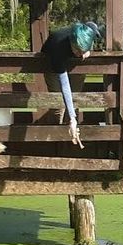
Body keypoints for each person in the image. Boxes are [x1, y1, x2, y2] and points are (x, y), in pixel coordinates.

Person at [42, 21, 101, 149]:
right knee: (58, 105)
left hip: (74, 66)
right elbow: (65, 86)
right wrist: (73, 119)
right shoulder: (57, 45)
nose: (79, 54)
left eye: (81, 52)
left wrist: (88, 51)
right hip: (53, 64)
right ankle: (53, 143)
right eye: (76, 50)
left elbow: (93, 26)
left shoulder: (90, 30)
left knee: (75, 101)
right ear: (71, 43)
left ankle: (71, 141)